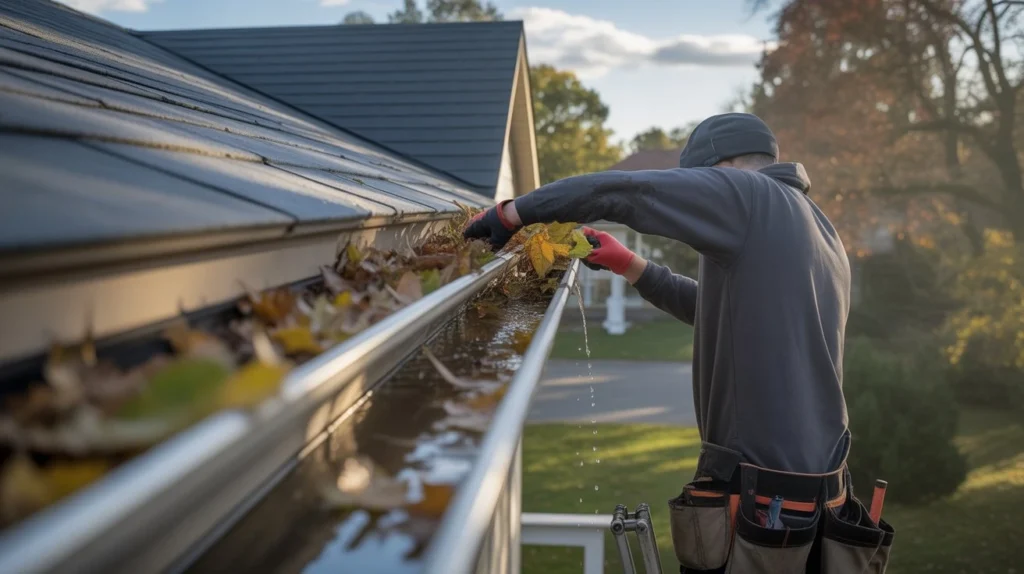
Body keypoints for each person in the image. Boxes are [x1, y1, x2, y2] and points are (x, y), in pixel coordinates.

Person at [465, 113, 894, 573]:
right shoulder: (818, 226)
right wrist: (631, 264)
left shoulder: (748, 195)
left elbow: (628, 191)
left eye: (700, 181)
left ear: (722, 168)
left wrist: (513, 213)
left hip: (764, 502)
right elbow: (718, 314)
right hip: (825, 497)